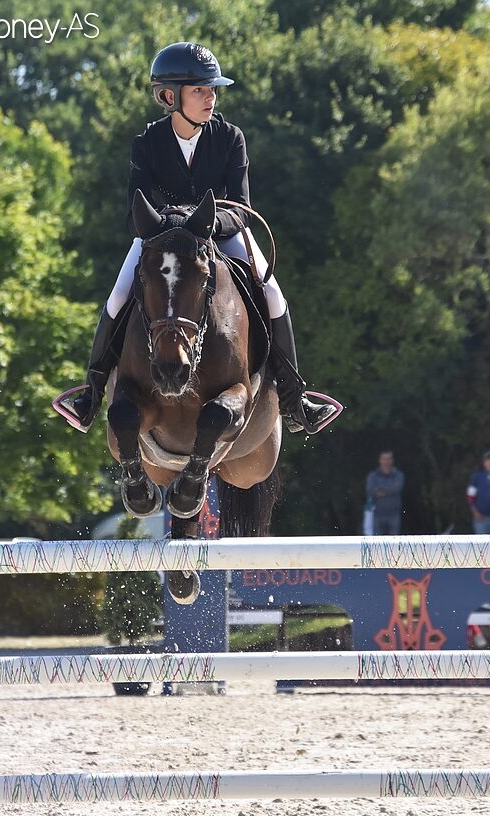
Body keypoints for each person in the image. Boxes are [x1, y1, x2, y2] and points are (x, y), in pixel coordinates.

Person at [72, 41, 338, 435]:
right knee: (117, 296)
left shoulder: (230, 138)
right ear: (168, 96)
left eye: (212, 89)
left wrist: (206, 225)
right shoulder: (147, 143)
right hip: (162, 241)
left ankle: (294, 397)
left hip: (220, 235)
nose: (210, 97)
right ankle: (91, 394)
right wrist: (174, 224)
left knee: (274, 295)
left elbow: (241, 206)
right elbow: (135, 213)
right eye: (199, 90)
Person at [365, 451, 405, 536]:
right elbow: (371, 490)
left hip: (394, 514)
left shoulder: (398, 475)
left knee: (394, 544)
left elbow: (396, 489)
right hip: (377, 514)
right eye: (384, 459)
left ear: (392, 460)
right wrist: (389, 490)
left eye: (388, 459)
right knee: (377, 544)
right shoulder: (373, 476)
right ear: (380, 460)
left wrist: (380, 490)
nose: (386, 461)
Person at [466, 451, 490, 534]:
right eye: (488, 460)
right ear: (484, 463)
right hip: (481, 518)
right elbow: (470, 497)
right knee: (481, 545)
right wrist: (475, 513)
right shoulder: (477, 477)